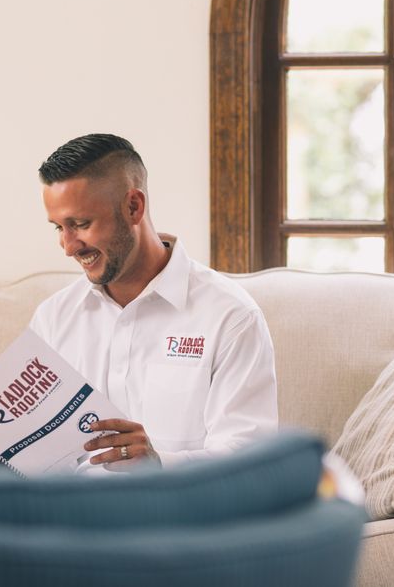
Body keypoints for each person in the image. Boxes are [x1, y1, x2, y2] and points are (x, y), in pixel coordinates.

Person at [29, 133, 277, 471]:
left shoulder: (230, 317)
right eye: (58, 227)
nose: (69, 247)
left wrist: (159, 464)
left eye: (81, 224)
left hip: (176, 517)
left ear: (133, 207)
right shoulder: (53, 318)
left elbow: (249, 465)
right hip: (68, 518)